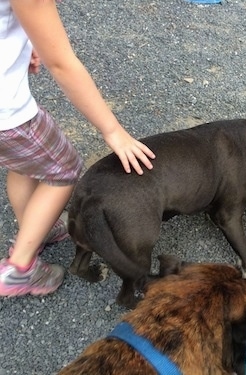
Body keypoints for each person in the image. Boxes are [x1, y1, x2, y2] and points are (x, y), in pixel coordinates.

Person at [0, 0, 156, 297]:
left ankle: (34, 229)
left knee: (23, 161)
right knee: (64, 169)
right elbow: (62, 64)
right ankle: (20, 268)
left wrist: (26, 37)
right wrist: (113, 131)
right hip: (8, 115)